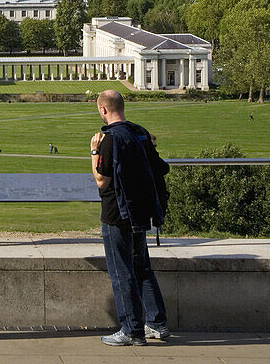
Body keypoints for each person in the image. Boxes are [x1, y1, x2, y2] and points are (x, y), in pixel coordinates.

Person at [91, 90, 170, 346]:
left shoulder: (109, 139)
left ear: (103, 110)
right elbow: (159, 167)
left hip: (117, 213)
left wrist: (94, 152)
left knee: (121, 271)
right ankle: (156, 323)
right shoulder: (140, 133)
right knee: (142, 268)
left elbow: (102, 180)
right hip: (141, 211)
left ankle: (131, 330)